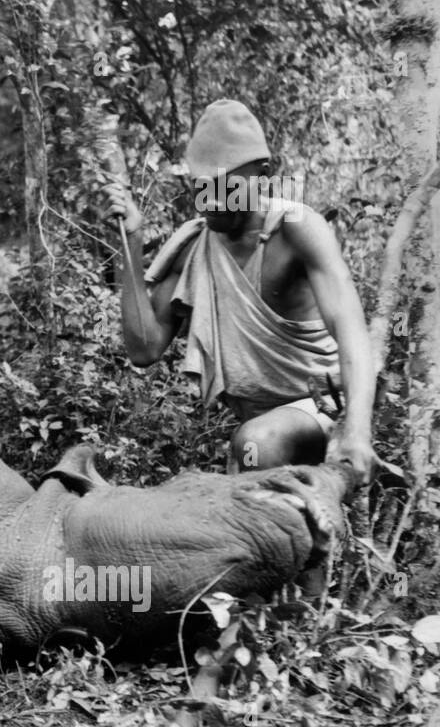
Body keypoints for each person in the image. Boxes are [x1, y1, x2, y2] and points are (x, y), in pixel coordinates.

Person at [106, 99, 377, 481]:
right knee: (247, 456)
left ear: (263, 175)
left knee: (255, 445)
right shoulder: (194, 246)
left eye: (226, 186)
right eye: (203, 186)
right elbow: (143, 349)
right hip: (256, 427)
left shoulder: (296, 228)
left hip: (324, 410)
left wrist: (358, 431)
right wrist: (132, 242)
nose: (213, 199)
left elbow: (351, 331)